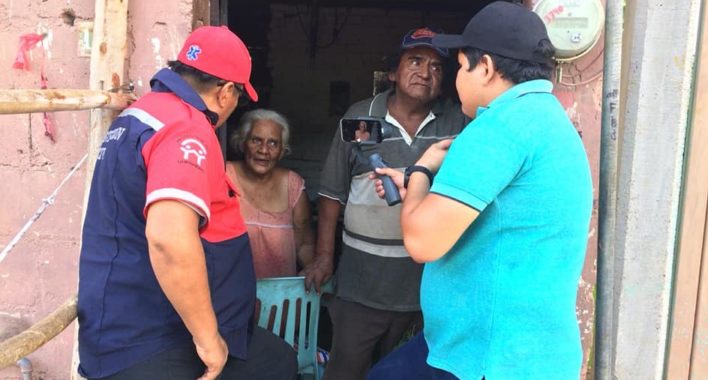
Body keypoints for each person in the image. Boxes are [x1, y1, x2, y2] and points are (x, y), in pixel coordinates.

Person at [367, 3, 593, 379]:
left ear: (485, 67)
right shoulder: (545, 119)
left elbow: (422, 241)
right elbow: (499, 210)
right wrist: (419, 187)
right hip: (526, 351)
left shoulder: (496, 127)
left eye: (458, 66)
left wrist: (422, 169)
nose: (455, 80)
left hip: (487, 357)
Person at [77, 26, 297, 380]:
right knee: (276, 363)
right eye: (239, 96)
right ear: (227, 92)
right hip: (152, 339)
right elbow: (169, 239)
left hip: (131, 326)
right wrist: (208, 339)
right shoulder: (186, 128)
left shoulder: (141, 115)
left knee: (275, 358)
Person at [300, 27, 468, 379]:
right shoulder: (360, 117)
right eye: (415, 61)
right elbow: (332, 194)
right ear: (392, 72)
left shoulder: (458, 123)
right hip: (362, 284)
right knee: (347, 369)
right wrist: (325, 257)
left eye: (437, 67)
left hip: (423, 288)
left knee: (406, 372)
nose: (426, 72)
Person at [225, 109, 314, 278]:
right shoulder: (224, 176)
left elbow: (304, 244)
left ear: (282, 151)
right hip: (230, 295)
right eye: (256, 140)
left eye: (273, 143)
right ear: (243, 143)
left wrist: (315, 272)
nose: (264, 150)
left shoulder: (293, 186)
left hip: (279, 298)